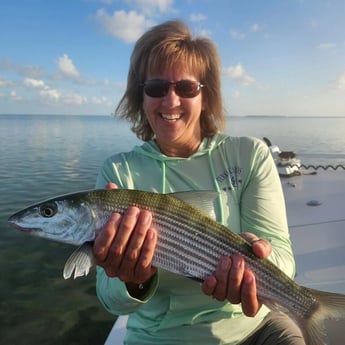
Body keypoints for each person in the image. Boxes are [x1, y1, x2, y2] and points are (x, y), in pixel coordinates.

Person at [93, 20, 304, 345]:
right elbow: (111, 300)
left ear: (206, 96)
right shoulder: (120, 172)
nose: (171, 100)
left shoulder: (250, 155)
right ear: (141, 96)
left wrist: (258, 260)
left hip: (255, 329)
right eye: (156, 88)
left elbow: (284, 262)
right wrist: (133, 280)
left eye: (187, 88)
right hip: (160, 338)